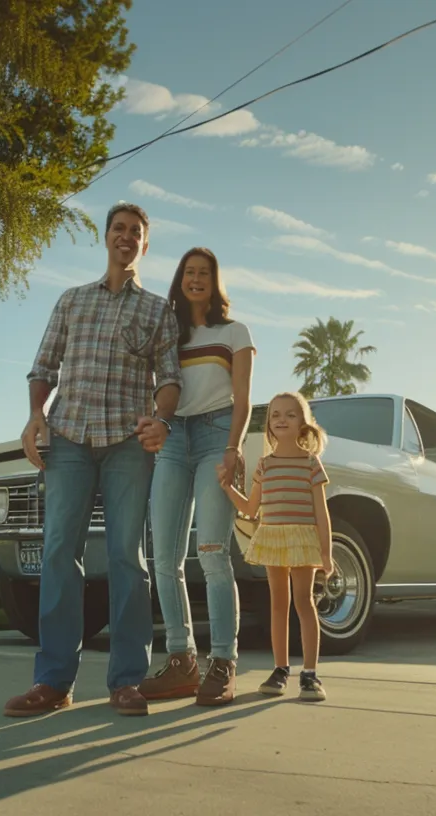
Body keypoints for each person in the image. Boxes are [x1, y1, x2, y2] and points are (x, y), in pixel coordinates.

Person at [3, 201, 182, 718]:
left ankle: (127, 681)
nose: (126, 237)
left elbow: (169, 379)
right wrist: (36, 416)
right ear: (106, 238)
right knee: (60, 552)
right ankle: (53, 682)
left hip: (129, 442)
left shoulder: (158, 311)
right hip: (70, 440)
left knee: (128, 556)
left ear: (145, 245)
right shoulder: (71, 301)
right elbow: (44, 366)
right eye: (119, 229)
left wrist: (162, 420)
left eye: (136, 232)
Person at [137, 247, 254, 707]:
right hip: (172, 439)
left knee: (211, 552)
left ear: (215, 280)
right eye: (189, 272)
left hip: (216, 436)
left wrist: (233, 447)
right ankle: (182, 660)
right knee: (163, 558)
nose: (196, 279)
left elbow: (243, 400)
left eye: (205, 273)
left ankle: (223, 662)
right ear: (180, 280)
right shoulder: (168, 334)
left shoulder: (235, 332)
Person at [218, 391, 335, 702]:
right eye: (275, 415)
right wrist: (228, 488)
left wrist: (327, 552)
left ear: (304, 424)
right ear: (269, 425)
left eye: (290, 415)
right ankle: (280, 669)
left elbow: (321, 512)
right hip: (273, 537)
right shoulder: (265, 464)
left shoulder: (311, 463)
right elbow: (251, 507)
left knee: (304, 603)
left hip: (302, 539)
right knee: (278, 605)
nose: (282, 419)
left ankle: (310, 675)